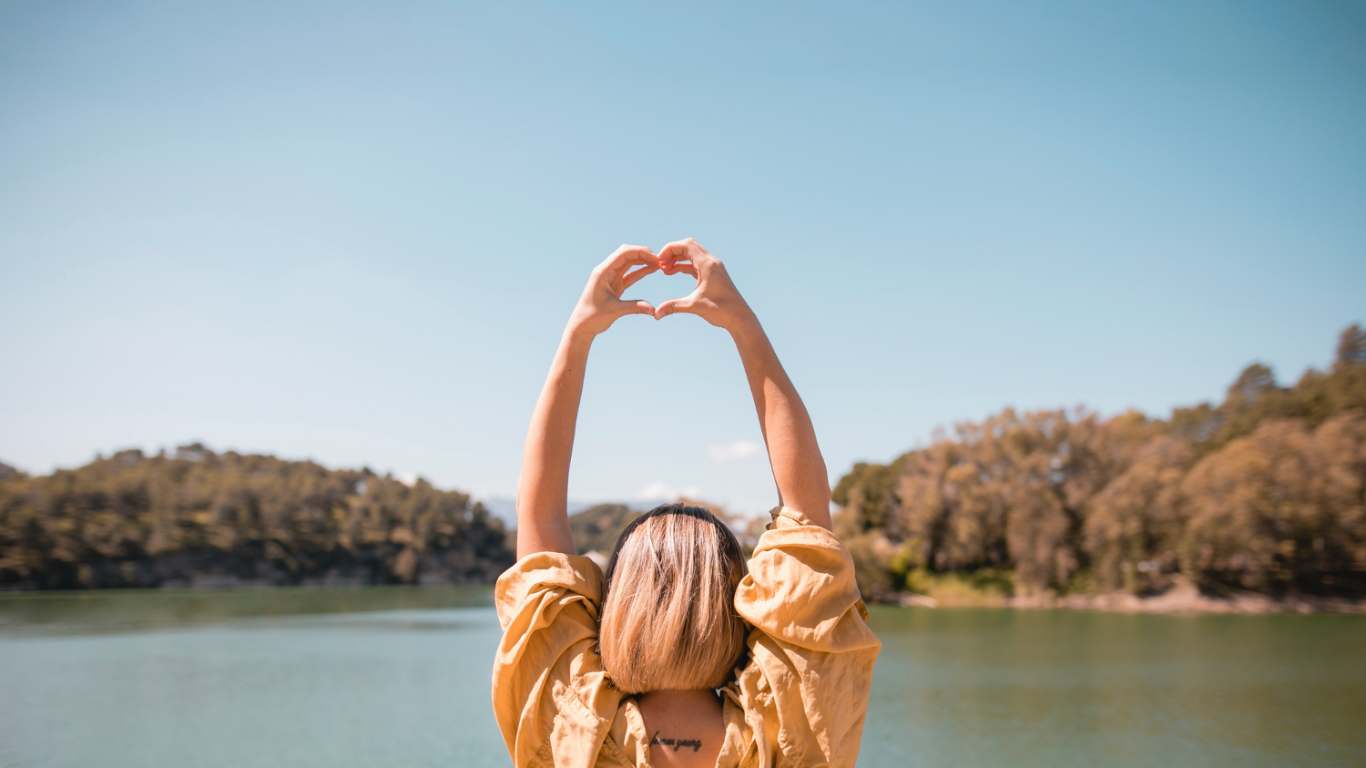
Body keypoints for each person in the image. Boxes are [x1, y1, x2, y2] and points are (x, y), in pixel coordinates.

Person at [491, 239, 880, 767]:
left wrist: (577, 337)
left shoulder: (568, 726)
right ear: (734, 608)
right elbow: (806, 514)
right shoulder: (791, 725)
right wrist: (744, 326)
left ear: (618, 606)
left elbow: (540, 521)